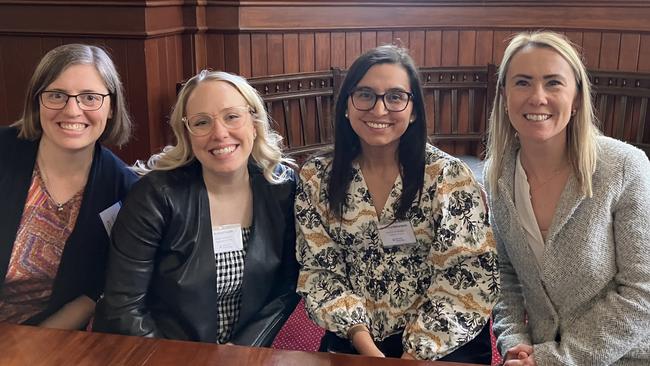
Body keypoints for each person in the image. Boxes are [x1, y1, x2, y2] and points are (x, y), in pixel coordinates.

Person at [295, 45, 499, 362]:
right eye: (365, 95)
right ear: (346, 105)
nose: (379, 110)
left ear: (413, 110)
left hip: (443, 339)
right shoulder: (316, 177)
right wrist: (369, 350)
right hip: (354, 336)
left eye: (395, 97)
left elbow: (467, 276)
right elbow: (320, 271)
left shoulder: (448, 177)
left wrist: (413, 353)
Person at [93, 70, 300, 346]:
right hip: (163, 352)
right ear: (187, 134)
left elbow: (286, 288)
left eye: (232, 116)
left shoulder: (281, 188)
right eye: (201, 122)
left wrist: (242, 353)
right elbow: (123, 306)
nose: (219, 133)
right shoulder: (155, 196)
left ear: (254, 122)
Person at [485, 31, 650, 365]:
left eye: (553, 83)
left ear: (576, 98)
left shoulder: (624, 167)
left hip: (626, 356)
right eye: (522, 82)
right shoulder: (496, 174)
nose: (537, 97)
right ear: (504, 96)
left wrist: (556, 358)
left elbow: (643, 292)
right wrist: (515, 344)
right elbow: (504, 276)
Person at [0, 44, 137, 329]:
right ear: (37, 101)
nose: (72, 110)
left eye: (90, 97)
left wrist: (35, 345)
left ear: (111, 107)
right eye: (57, 95)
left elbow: (94, 290)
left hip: (47, 335)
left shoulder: (122, 188)